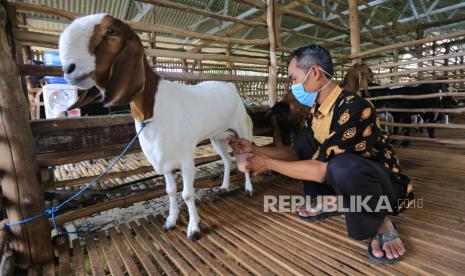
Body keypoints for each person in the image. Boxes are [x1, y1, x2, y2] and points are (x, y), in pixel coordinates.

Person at [229, 45, 414, 264]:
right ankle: (335, 200)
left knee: (342, 165)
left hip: (383, 188)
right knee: (305, 141)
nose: (293, 85)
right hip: (349, 183)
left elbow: (321, 170)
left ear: (315, 73)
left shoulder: (355, 107)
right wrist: (254, 149)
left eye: (294, 78)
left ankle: (380, 221)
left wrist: (268, 163)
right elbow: (296, 153)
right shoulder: (316, 112)